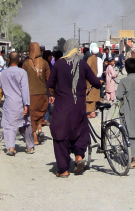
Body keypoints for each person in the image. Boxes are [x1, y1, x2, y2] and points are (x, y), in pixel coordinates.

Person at [47, 39, 102, 177]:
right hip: (78, 107)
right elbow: (96, 82)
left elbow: (50, 83)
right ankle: (78, 157)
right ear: (77, 49)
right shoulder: (82, 64)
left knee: (60, 135)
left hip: (62, 107)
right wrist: (100, 83)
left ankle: (64, 169)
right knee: (80, 132)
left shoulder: (59, 64)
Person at [115, 58, 135, 170]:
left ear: (126, 68)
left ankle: (130, 157)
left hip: (126, 110)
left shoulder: (123, 81)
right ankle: (134, 157)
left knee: (126, 135)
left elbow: (118, 96)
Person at [0, 52, 33, 155]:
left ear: (8, 60)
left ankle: (10, 148)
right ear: (19, 60)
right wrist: (26, 104)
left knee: (9, 126)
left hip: (9, 102)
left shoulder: (3, 73)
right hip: (20, 102)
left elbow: (2, 88)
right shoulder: (22, 72)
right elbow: (25, 89)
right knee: (26, 124)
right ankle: (30, 147)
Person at [22, 42, 50, 143]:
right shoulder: (44, 63)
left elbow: (22, 78)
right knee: (40, 113)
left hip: (31, 94)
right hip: (42, 93)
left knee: (32, 116)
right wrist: (51, 94)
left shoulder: (26, 63)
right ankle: (40, 128)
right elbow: (49, 79)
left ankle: (34, 137)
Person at [85, 42, 103, 117]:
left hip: (91, 80)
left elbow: (87, 69)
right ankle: (93, 111)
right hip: (98, 79)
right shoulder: (99, 59)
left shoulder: (90, 59)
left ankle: (91, 113)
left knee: (90, 97)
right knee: (95, 96)